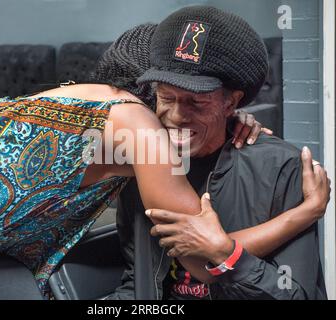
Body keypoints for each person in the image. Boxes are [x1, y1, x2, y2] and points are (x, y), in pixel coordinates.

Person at [0, 24, 267, 299]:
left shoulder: (94, 97)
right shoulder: (137, 123)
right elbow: (201, 259)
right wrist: (304, 213)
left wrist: (227, 117)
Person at [108, 6, 330, 300]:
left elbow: (298, 295)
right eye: (167, 97)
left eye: (196, 102)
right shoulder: (144, 161)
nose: (176, 115)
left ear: (231, 103)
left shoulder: (281, 168)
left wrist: (229, 256)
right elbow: (138, 283)